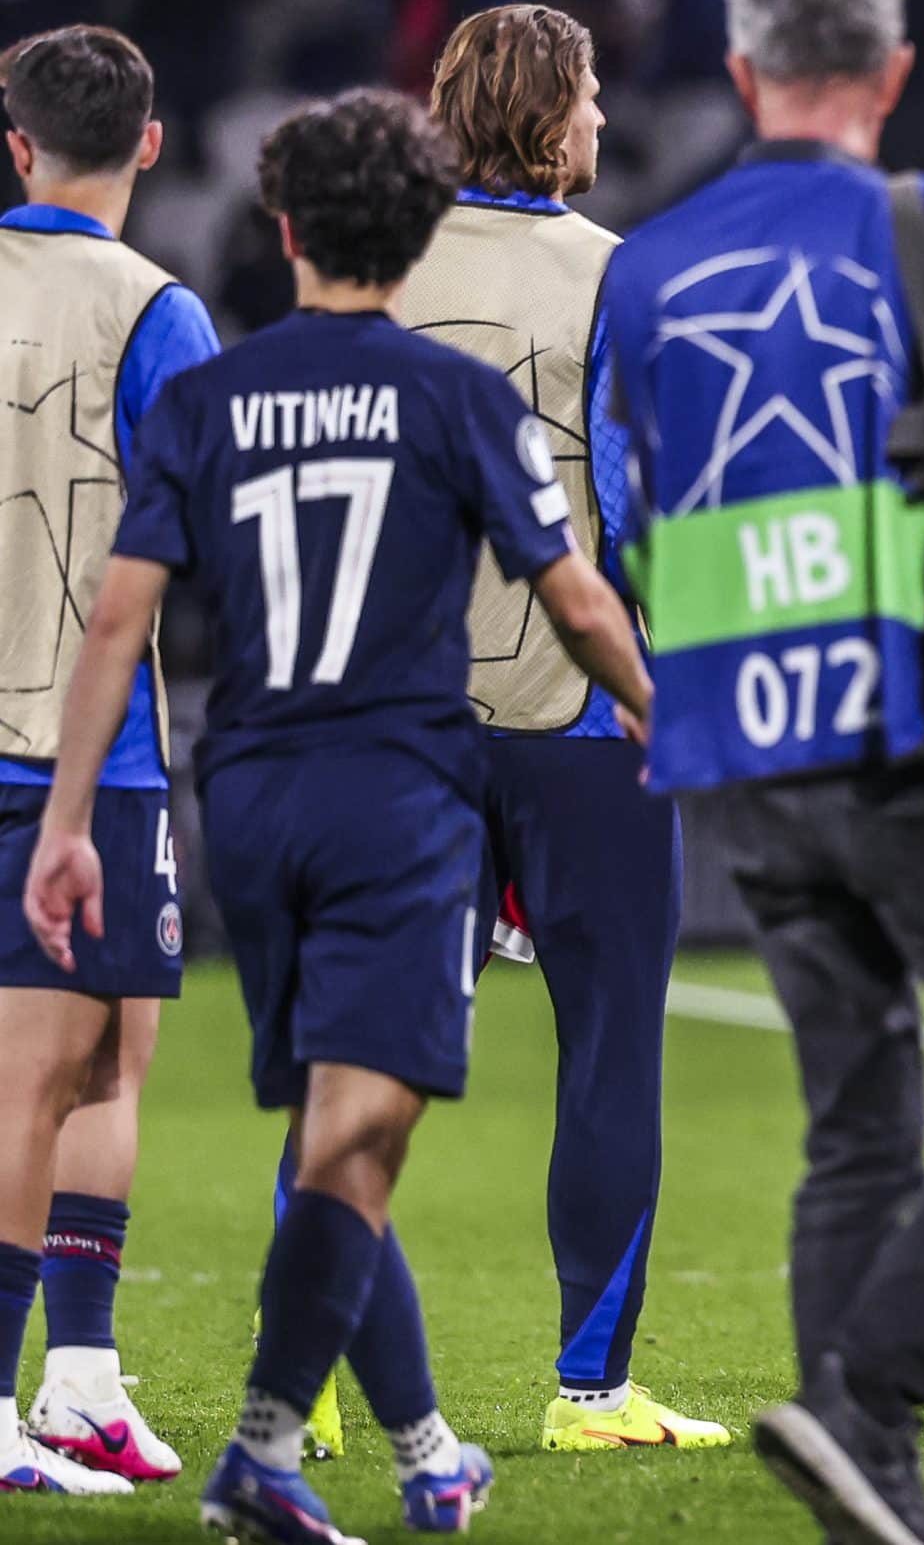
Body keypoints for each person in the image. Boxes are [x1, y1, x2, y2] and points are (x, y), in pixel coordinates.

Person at [23, 88, 653, 1544]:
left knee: (330, 1124)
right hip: (396, 799)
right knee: (360, 1136)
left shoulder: (207, 395)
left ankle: (412, 1444)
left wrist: (69, 814)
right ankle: (270, 1446)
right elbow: (568, 589)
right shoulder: (458, 398)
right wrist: (651, 700)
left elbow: (121, 619)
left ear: (286, 228)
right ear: (418, 223)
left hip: (248, 794)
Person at [600, 0, 924, 1545]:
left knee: (855, 1123)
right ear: (891, 71)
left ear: (744, 71)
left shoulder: (643, 264)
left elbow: (622, 511)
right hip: (902, 725)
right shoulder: (923, 222)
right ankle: (864, 1398)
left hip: (738, 748)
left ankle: (862, 1497)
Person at [395, 0, 724, 1454]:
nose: (601, 119)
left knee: (363, 1051)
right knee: (608, 1050)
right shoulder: (617, 276)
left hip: (398, 724)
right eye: (588, 94)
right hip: (580, 716)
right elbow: (647, 516)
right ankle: (590, 1391)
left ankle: (326, 1366)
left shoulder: (372, 270)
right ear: (546, 114)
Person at [0, 24, 213, 1498]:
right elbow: (190, 538)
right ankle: (45, 1382)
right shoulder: (160, 312)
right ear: (149, 141)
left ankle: (78, 1380)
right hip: (86, 742)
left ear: (16, 145)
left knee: (66, 1063)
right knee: (86, 1061)